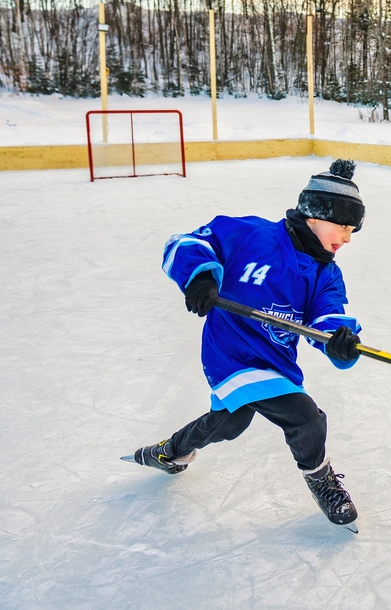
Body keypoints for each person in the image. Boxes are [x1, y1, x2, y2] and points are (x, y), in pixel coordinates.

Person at [126, 159, 366, 530]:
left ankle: (170, 451)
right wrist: (201, 276)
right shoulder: (253, 235)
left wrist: (338, 341)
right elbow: (186, 243)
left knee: (229, 423)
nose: (348, 238)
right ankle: (322, 481)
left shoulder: (326, 273)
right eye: (344, 226)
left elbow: (327, 315)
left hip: (276, 362)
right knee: (306, 419)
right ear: (317, 215)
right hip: (231, 354)